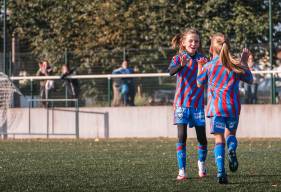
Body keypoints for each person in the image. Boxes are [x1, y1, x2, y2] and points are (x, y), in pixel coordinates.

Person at [197, 33, 253, 184]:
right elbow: (249, 79)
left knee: (218, 139)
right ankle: (232, 149)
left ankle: (221, 173)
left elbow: (199, 82)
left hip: (216, 109)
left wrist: (200, 66)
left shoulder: (209, 66)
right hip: (233, 108)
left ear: (211, 48)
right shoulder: (235, 64)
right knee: (230, 135)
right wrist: (244, 61)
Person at [168, 28, 208, 181]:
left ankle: (201, 165)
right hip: (181, 104)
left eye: (196, 41)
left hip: (197, 104)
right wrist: (181, 65)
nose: (193, 43)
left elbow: (207, 77)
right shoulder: (178, 58)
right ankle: (182, 170)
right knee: (181, 136)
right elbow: (171, 71)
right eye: (190, 41)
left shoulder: (203, 59)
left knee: (202, 138)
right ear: (183, 43)